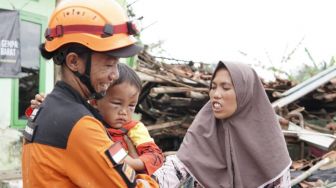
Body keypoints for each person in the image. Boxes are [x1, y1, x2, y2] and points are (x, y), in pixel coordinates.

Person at [22, 0, 158, 187]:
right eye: (109, 64)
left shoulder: (47, 108)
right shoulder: (80, 125)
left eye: (117, 65)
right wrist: (155, 179)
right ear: (74, 62)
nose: (115, 75)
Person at [153, 61, 292, 188]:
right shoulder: (204, 127)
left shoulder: (270, 142)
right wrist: (149, 182)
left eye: (225, 88)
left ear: (245, 93)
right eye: (213, 87)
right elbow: (178, 167)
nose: (216, 94)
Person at [27, 63, 164, 176]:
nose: (124, 112)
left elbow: (155, 155)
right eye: (116, 103)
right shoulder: (86, 121)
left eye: (131, 106)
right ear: (94, 102)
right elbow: (60, 119)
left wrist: (133, 163)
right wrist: (46, 106)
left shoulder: (134, 129)